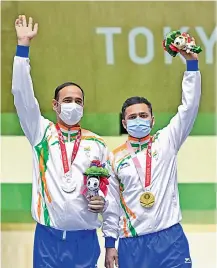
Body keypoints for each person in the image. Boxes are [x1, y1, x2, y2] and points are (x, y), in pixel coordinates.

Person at [12, 15, 109, 268]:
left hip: (86, 240)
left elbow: (108, 190)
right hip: (48, 240)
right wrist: (23, 49)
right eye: (67, 100)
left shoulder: (97, 143)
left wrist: (104, 204)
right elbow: (22, 96)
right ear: (55, 105)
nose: (73, 105)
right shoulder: (41, 133)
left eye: (78, 101)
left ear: (84, 107)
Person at [103, 38, 201, 268]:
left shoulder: (166, 140)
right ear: (124, 124)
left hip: (171, 240)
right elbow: (111, 205)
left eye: (143, 116)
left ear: (153, 119)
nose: (139, 120)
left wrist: (192, 66)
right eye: (132, 117)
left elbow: (189, 108)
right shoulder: (115, 157)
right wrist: (110, 243)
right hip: (132, 244)